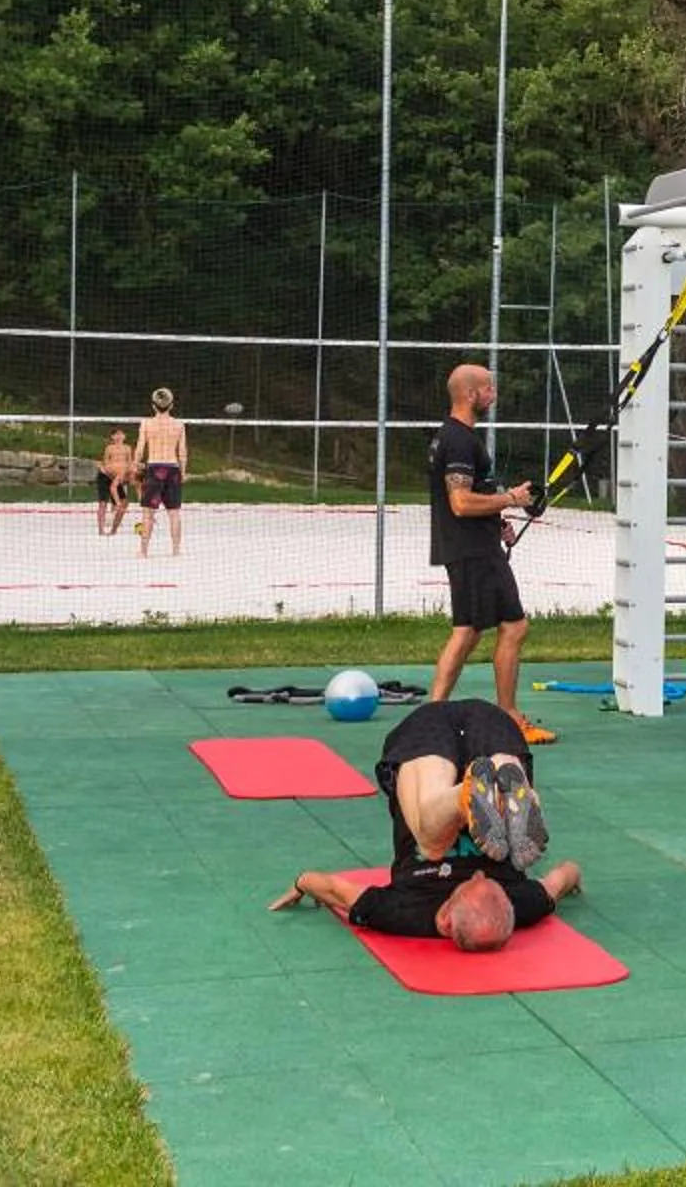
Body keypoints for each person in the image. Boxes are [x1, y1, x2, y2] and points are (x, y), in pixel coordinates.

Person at [268, 699, 581, 950]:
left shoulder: (522, 904)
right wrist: (303, 883)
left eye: (474, 880)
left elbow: (563, 876)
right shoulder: (406, 912)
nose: (479, 871)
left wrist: (301, 881)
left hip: (479, 723)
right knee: (429, 838)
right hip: (468, 726)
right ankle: (494, 784)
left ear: (445, 920)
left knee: (433, 842)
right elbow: (334, 889)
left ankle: (483, 785)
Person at [425, 363, 553, 744]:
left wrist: (498, 520)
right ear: (469, 394)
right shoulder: (460, 441)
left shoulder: (453, 437)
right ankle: (510, 718)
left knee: (467, 631)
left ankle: (432, 717)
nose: (493, 395)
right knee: (513, 626)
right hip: (473, 552)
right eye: (488, 389)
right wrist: (511, 499)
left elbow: (470, 497)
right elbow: (461, 502)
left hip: (472, 545)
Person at [136, 388, 187, 556]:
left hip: (154, 468)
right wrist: (183, 471)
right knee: (174, 513)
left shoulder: (146, 423)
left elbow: (140, 448)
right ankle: (176, 550)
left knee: (148, 513)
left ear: (153, 406)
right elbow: (182, 451)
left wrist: (136, 466)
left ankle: (144, 551)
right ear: (171, 405)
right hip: (172, 468)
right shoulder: (179, 424)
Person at [93, 427, 137, 537]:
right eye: (116, 434)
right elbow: (106, 462)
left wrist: (130, 473)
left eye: (121, 434)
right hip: (106, 476)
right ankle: (101, 530)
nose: (119, 436)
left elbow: (130, 462)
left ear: (124, 436)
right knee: (103, 503)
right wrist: (111, 473)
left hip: (118, 476)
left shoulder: (127, 448)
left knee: (124, 503)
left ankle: (114, 530)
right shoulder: (109, 448)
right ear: (112, 437)